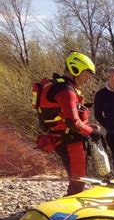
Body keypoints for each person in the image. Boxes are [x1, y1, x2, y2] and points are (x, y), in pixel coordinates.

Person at [37, 52, 102, 195]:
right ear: (75, 69)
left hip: (63, 137)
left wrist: (89, 127)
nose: (88, 79)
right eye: (87, 74)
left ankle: (71, 205)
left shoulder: (59, 86)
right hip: (70, 140)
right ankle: (69, 212)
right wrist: (92, 132)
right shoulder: (66, 91)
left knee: (77, 178)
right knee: (79, 180)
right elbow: (73, 123)